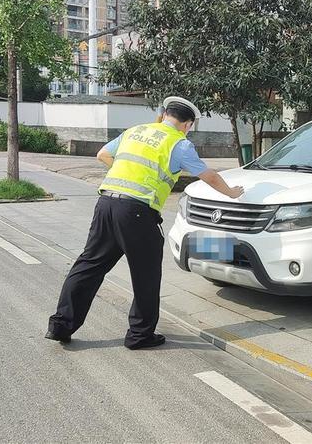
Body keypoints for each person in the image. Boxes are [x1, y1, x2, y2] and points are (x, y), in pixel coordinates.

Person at [46, 97, 245, 349]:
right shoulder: (179, 144)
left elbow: (102, 154)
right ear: (188, 124)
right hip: (137, 213)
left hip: (106, 204)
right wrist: (231, 193)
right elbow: (209, 175)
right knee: (145, 275)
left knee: (89, 266)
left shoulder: (135, 131)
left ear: (163, 114)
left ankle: (60, 326)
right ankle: (140, 335)